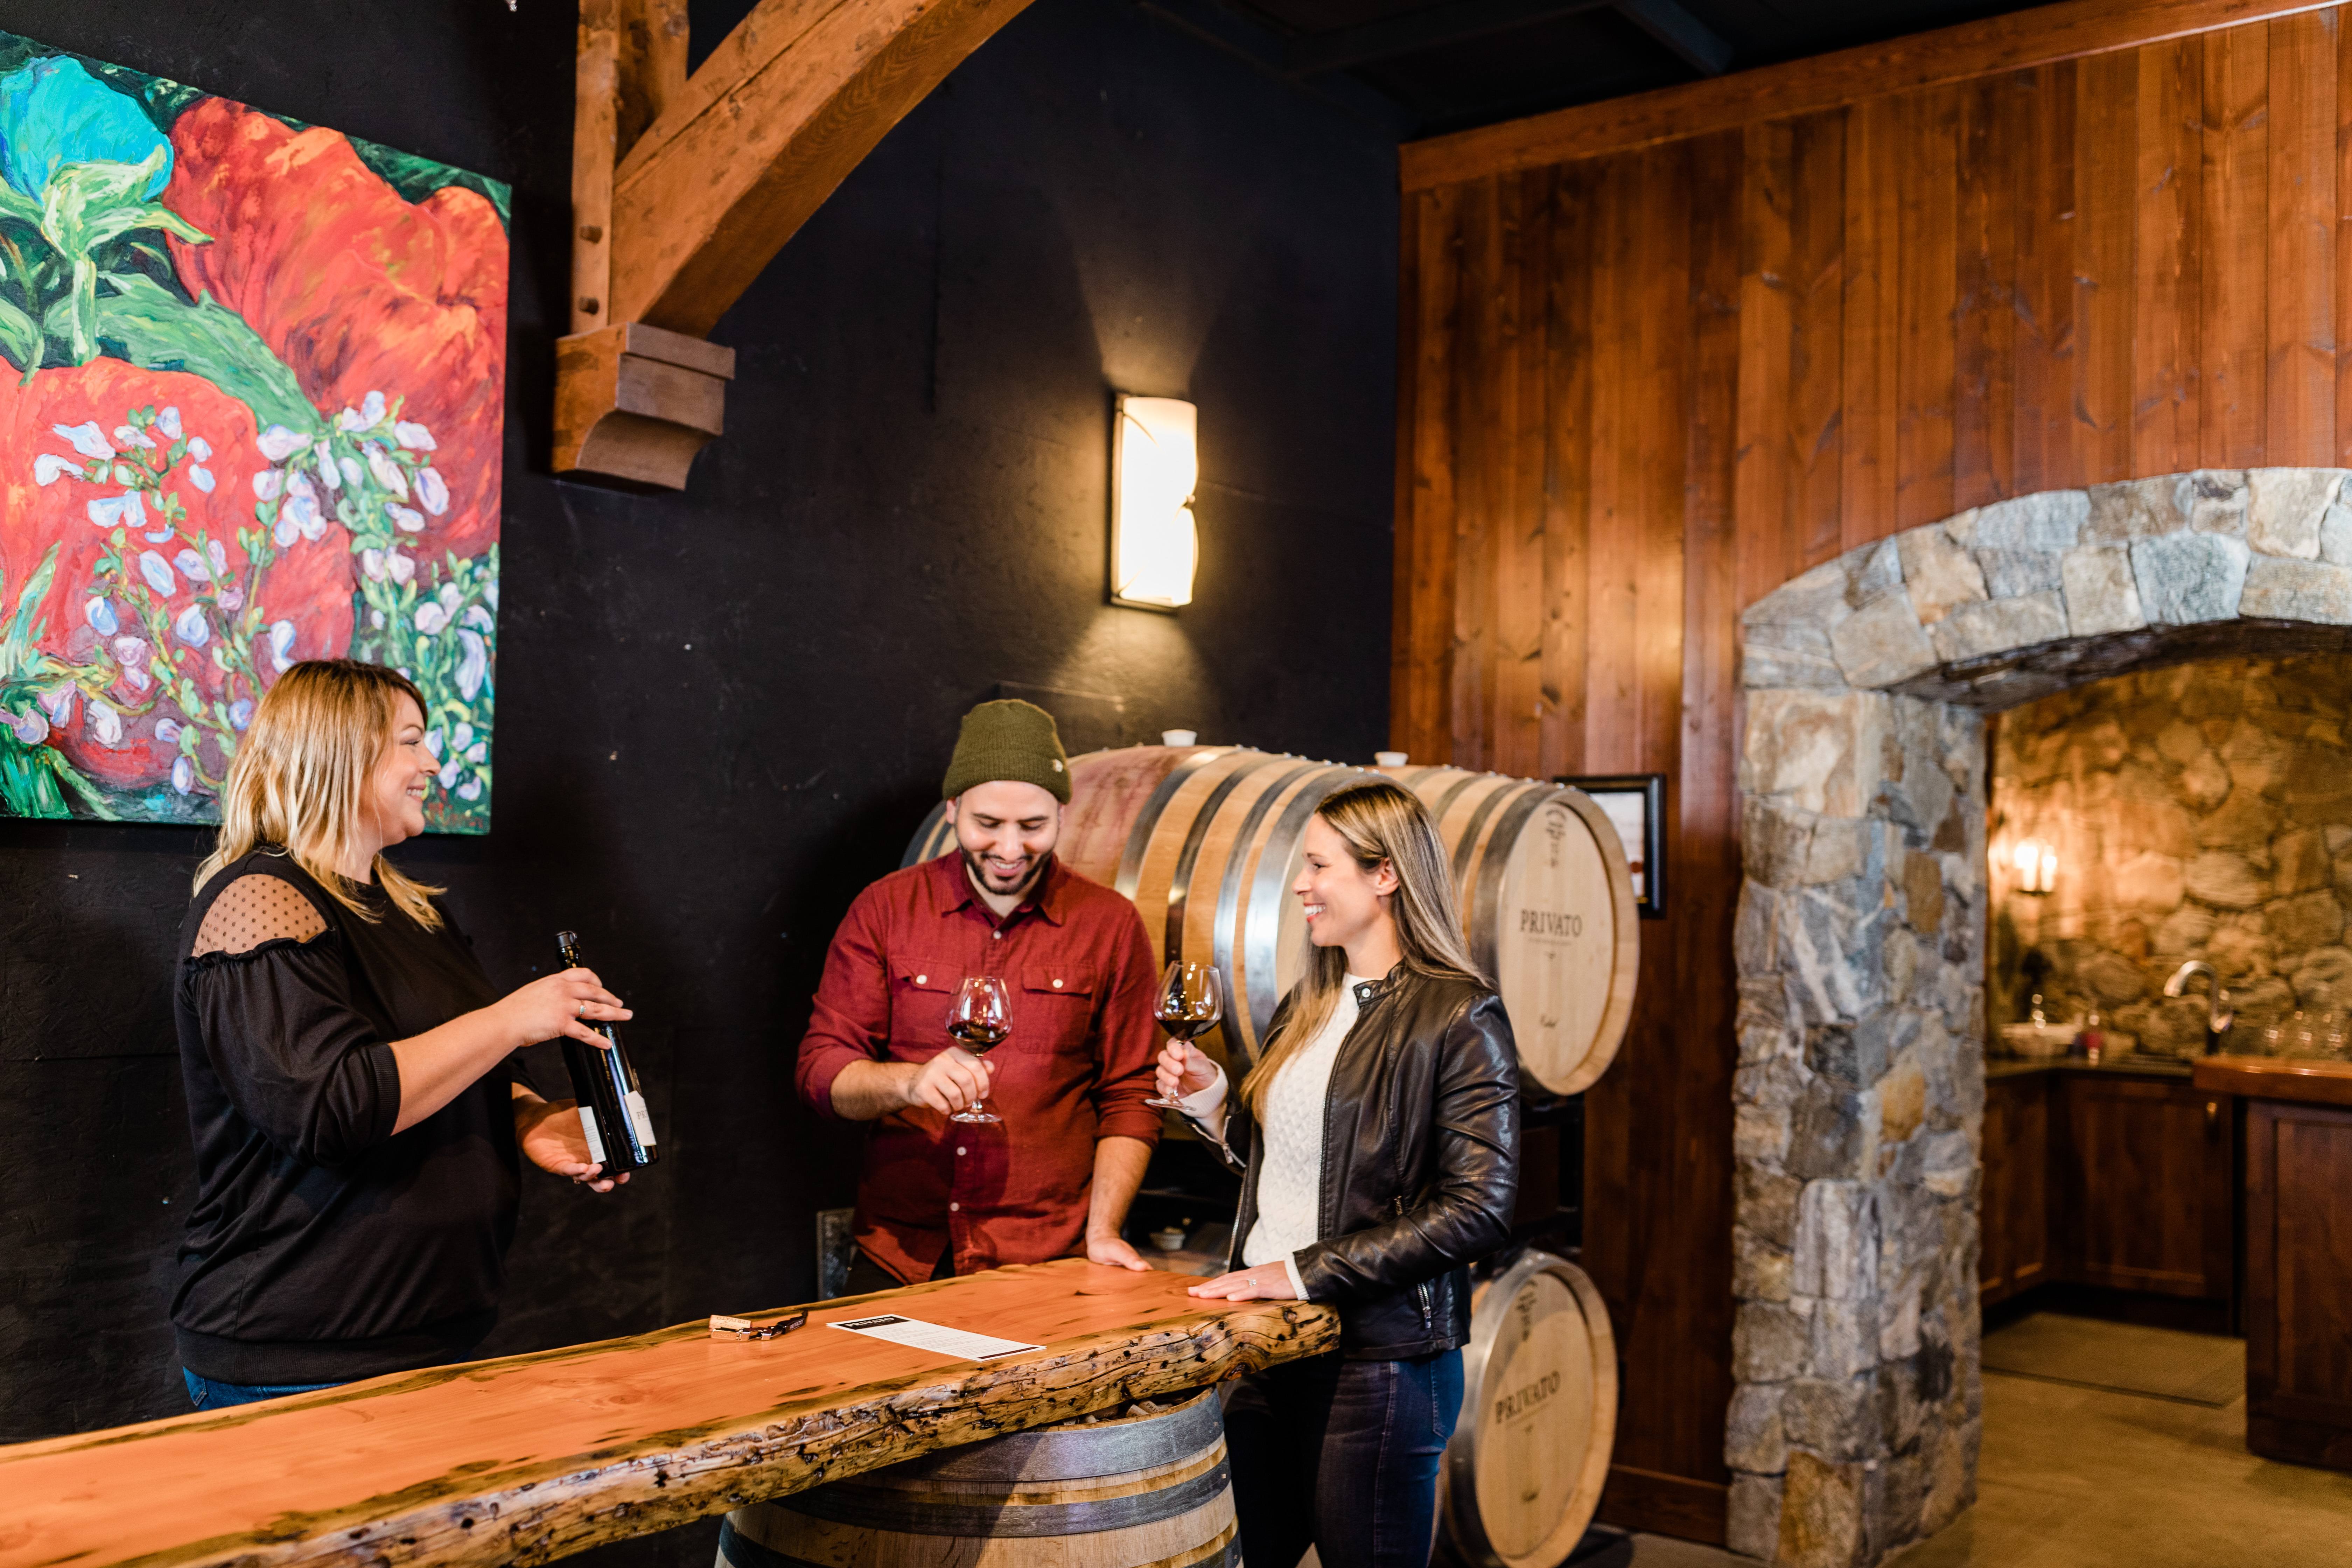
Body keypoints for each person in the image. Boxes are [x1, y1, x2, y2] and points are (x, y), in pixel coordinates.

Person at [172, 660, 632, 1409]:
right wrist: (512, 1017)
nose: (431, 763)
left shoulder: (410, 908)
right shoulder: (259, 898)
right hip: (302, 1351)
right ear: (339, 751)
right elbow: (330, 1104)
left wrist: (524, 1117)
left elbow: (431, 1063)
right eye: (411, 742)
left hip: (432, 1331)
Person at [1155, 778, 1519, 1568]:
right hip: (1277, 1348)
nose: (1301, 885)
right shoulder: (1308, 1004)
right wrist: (1217, 1105)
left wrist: (1300, 1272)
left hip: (1381, 1361)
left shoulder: (1459, 1014)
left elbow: (1479, 1208)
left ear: (1384, 874)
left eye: (1319, 865)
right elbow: (1302, 1166)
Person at [796, 699, 1161, 1292]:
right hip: (901, 1253)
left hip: (1048, 1258)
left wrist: (1103, 1232)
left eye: (1033, 826)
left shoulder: (1110, 924)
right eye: (988, 824)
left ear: (1063, 814)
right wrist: (908, 1083)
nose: (1011, 849)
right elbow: (820, 1072)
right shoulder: (886, 907)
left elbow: (1130, 1093)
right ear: (953, 809)